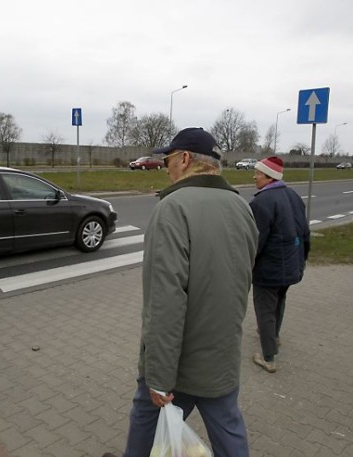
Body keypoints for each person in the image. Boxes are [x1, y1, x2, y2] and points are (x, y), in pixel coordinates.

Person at [103, 128, 258, 457]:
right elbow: (243, 279)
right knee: (229, 431)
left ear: (185, 159)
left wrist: (158, 376)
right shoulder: (241, 206)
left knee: (145, 425)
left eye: (168, 158)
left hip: (178, 365)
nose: (165, 165)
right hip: (222, 356)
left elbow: (165, 300)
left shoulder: (173, 208)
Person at [249, 156, 310, 373]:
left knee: (264, 309)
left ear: (269, 176)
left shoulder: (261, 202)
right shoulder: (293, 196)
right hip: (291, 263)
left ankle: (269, 357)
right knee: (279, 301)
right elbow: (305, 232)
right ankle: (273, 336)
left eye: (257, 172)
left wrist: (248, 264)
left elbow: (256, 240)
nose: (254, 176)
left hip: (269, 268)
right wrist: (302, 260)